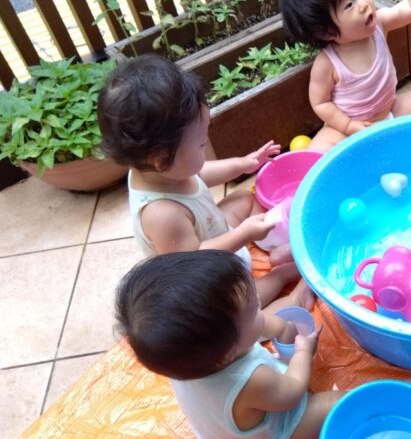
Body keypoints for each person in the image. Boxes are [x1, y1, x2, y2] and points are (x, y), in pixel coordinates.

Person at [115, 250, 411, 439]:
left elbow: (258, 326)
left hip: (230, 410)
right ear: (227, 354)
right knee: (332, 403)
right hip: (273, 433)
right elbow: (293, 393)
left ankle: (297, 294)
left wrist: (273, 327)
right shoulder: (252, 380)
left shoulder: (188, 357)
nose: (258, 310)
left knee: (273, 320)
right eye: (252, 311)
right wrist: (302, 353)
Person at [99, 54, 298, 308]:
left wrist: (244, 164)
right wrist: (242, 233)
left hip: (216, 232)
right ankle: (280, 274)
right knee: (238, 305)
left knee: (244, 197)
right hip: (206, 272)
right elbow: (194, 259)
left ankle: (268, 240)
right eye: (201, 144)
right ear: (163, 160)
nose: (205, 149)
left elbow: (201, 173)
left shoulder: (159, 169)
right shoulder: (161, 214)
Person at [279, 0, 411, 152]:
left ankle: (407, 143)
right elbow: (321, 102)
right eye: (349, 5)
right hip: (348, 130)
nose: (364, 3)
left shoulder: (380, 25)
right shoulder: (328, 63)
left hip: (388, 112)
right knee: (315, 152)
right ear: (326, 30)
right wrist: (347, 125)